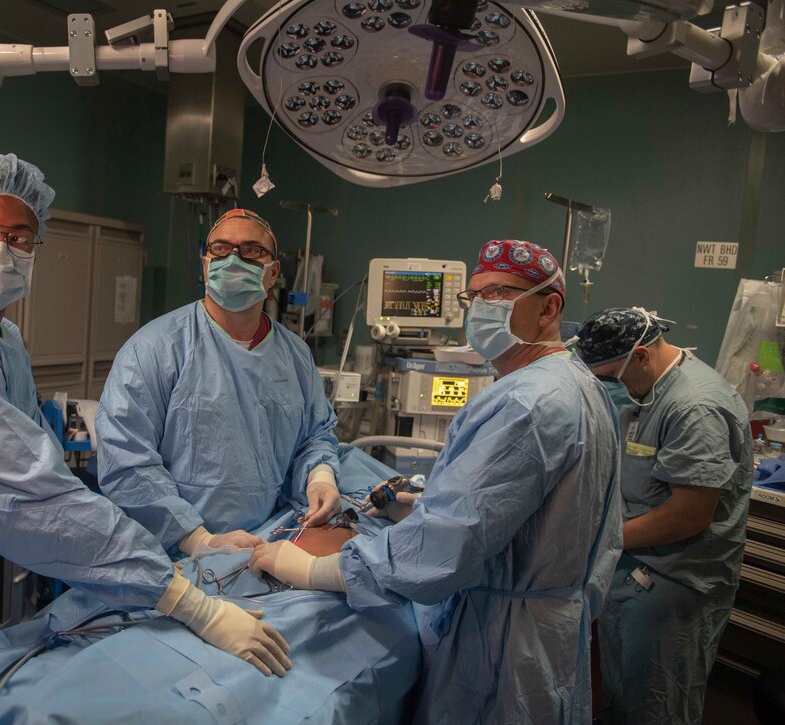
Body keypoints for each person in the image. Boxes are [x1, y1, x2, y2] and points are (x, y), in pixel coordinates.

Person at [0, 154, 290, 678]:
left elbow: (39, 459)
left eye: (19, 237)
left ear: (34, 251)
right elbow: (32, 495)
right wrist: (189, 600)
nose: (0, 249)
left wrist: (198, 543)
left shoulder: (4, 340)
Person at [250, 239, 623, 724]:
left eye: (498, 295)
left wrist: (307, 569)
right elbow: (528, 515)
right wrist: (416, 508)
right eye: (474, 297)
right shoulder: (580, 385)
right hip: (547, 629)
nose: (480, 309)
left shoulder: (526, 404)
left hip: (504, 646)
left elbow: (443, 548)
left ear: (549, 307)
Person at [92, 208, 343, 558]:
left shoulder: (294, 354)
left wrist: (320, 476)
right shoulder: (154, 348)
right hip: (176, 554)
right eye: (221, 249)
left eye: (251, 250)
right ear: (206, 264)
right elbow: (127, 459)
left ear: (273, 273)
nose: (234, 258)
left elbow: (314, 436)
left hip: (269, 544)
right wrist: (196, 539)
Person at [575, 307, 754, 724]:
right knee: (620, 698)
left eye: (607, 378)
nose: (606, 388)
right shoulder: (647, 390)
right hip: (634, 571)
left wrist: (603, 537)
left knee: (656, 705)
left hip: (675, 581)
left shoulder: (695, 407)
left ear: (640, 356)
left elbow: (687, 516)